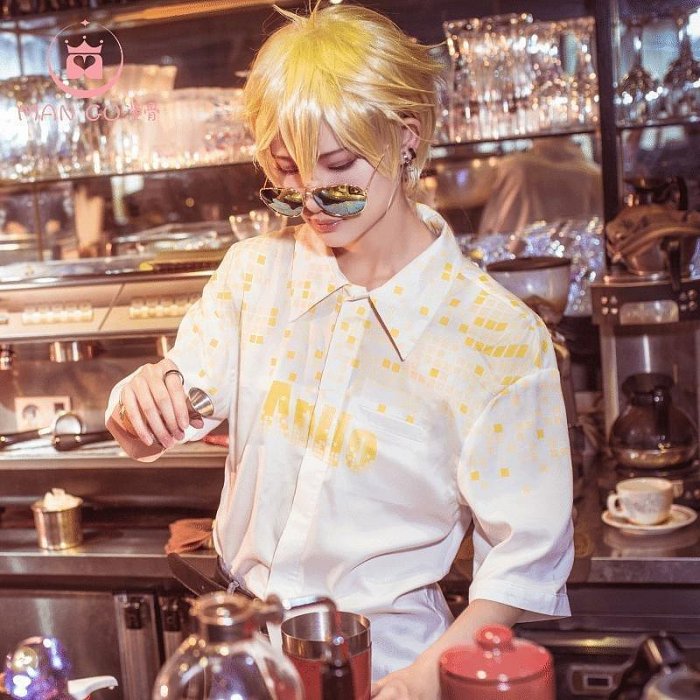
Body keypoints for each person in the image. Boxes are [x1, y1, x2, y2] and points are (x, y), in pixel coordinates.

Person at [105, 4, 574, 697]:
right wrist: (143, 400)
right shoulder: (254, 275)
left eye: (338, 166)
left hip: (389, 664)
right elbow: (162, 416)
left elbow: (524, 561)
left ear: (406, 138)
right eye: (286, 172)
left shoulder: (497, 337)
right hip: (243, 660)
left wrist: (420, 681)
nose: (312, 198)